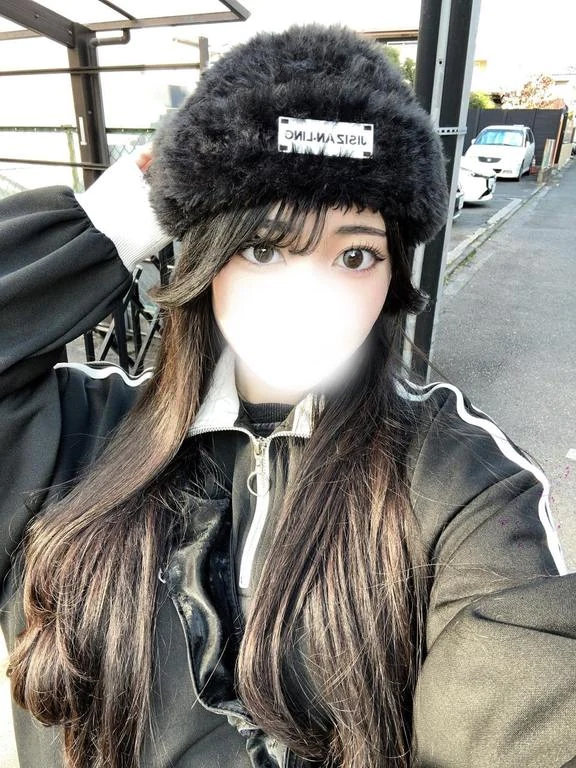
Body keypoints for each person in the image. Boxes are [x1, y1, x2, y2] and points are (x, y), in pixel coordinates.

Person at [0, 23, 575, 768]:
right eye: (264, 247)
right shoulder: (74, 432)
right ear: (205, 256)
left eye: (355, 254)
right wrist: (128, 211)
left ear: (393, 275)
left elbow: (525, 699)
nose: (310, 298)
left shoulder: (458, 478)